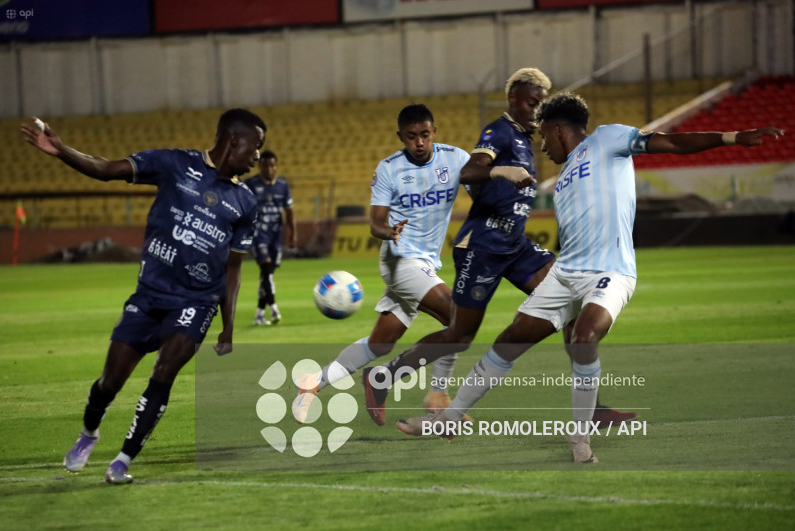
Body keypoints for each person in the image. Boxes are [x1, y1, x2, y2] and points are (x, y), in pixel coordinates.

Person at [396, 91, 785, 463]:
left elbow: (671, 142)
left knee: (584, 336)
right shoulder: (564, 181)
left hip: (610, 271)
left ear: (558, 129)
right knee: (511, 338)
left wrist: (733, 138)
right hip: (566, 273)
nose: (542, 148)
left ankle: (580, 437)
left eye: (544, 136)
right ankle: (446, 421)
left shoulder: (608, 139)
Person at [362, 68, 635, 427]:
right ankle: (382, 378)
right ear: (513, 100)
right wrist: (501, 172)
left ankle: (593, 407)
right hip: (484, 245)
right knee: (459, 335)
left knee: (571, 302)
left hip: (515, 244)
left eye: (541, 105)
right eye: (531, 102)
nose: (537, 111)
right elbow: (469, 172)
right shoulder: (500, 131)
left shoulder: (528, 140)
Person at [20, 108, 266, 483]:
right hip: (150, 296)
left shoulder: (246, 203)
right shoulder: (174, 164)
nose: (258, 156)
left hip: (197, 303)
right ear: (234, 139)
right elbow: (107, 170)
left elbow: (233, 270)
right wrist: (63, 150)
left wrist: (227, 327)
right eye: (257, 146)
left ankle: (122, 460)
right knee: (110, 382)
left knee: (164, 373)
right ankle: (89, 434)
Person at [293, 103, 473, 422]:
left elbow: (483, 194)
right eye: (411, 136)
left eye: (424, 135)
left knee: (380, 343)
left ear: (434, 132)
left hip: (426, 265)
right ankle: (440, 398)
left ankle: (312, 384)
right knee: (458, 317)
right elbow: (375, 221)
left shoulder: (455, 158)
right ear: (400, 136)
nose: (418, 142)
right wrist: (388, 231)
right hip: (400, 260)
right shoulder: (389, 168)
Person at [244, 150, 295, 325]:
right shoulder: (251, 184)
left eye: (272, 165)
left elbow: (289, 211)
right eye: (266, 165)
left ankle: (259, 313)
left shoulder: (282, 185)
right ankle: (273, 308)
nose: (269, 169)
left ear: (276, 166)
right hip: (258, 234)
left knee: (267, 276)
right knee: (266, 269)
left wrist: (292, 233)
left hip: (276, 235)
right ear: (260, 166)